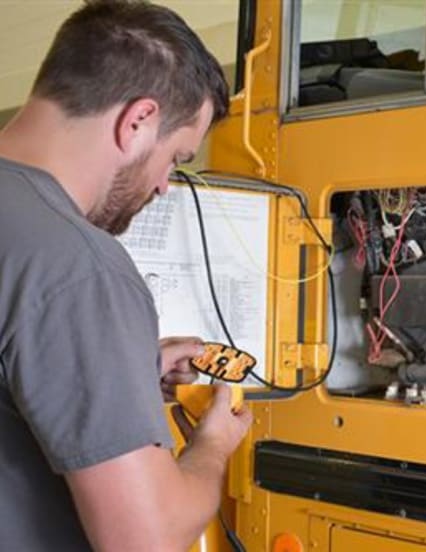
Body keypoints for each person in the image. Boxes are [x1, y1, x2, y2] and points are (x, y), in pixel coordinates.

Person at [0, 1, 253, 550]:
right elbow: (147, 539)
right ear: (137, 121)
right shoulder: (78, 265)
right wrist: (211, 446)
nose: (165, 185)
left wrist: (123, 371)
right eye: (176, 158)